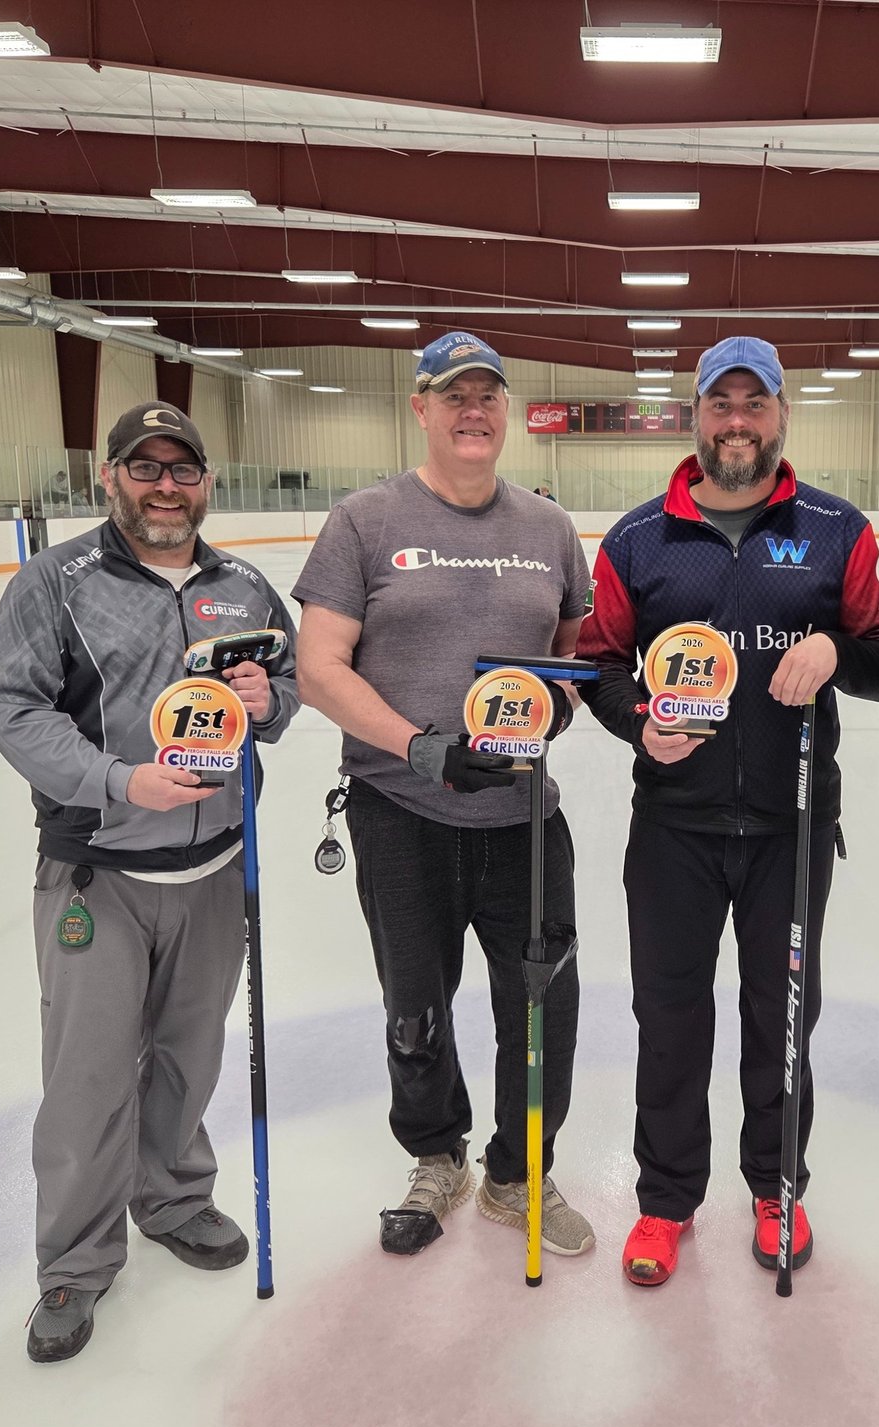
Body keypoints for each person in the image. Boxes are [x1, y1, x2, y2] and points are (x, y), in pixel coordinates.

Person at [577, 336, 879, 1287]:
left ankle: (776, 1186)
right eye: (722, 404)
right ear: (696, 416)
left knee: (781, 1017)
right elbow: (598, 660)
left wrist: (838, 651)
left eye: (756, 405)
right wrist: (640, 723)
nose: (738, 423)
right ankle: (666, 1203)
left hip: (791, 828)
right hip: (674, 827)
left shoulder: (836, 529)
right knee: (669, 1017)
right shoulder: (639, 540)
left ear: (782, 417)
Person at [0, 400, 299, 1363]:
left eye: (184, 469)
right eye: (145, 467)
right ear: (111, 476)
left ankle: (171, 1196)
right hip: (100, 873)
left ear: (207, 481)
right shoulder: (54, 582)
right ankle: (74, 1265)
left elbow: (283, 696)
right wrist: (122, 781)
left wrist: (268, 698)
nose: (167, 486)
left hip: (213, 870)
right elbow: (17, 711)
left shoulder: (244, 586)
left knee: (189, 1055)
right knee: (86, 1080)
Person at [292, 332, 597, 1261]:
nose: (473, 410)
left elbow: (574, 648)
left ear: (506, 413)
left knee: (544, 1008)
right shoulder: (365, 520)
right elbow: (317, 668)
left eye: (488, 396)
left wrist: (560, 705)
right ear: (419, 409)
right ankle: (438, 1156)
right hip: (402, 812)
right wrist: (422, 748)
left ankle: (518, 1171)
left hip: (523, 819)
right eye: (452, 395)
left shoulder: (546, 529)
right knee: (413, 1006)